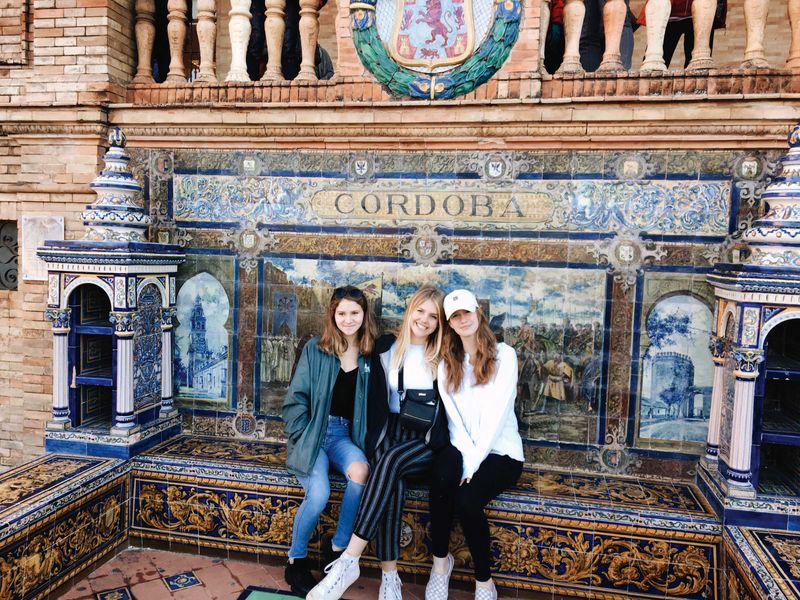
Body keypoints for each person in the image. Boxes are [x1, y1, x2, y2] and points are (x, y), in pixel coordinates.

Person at [306, 285, 450, 600]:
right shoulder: (386, 347)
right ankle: (390, 578)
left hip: (425, 440)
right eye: (420, 311)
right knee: (390, 477)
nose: (424, 320)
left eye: (433, 316)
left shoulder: (444, 355)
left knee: (389, 463)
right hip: (391, 434)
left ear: (440, 323)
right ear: (410, 310)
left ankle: (349, 560)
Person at [426, 289, 525, 600]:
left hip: (502, 452)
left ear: (478, 314)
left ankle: (484, 580)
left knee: (468, 501)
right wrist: (466, 459)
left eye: (466, 312)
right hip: (463, 446)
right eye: (455, 316)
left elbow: (497, 417)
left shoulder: (504, 356)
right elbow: (454, 421)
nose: (462, 319)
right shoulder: (446, 365)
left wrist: (473, 463)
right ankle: (440, 564)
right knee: (442, 479)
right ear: (449, 323)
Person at [282, 285, 377, 596]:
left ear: (364, 316)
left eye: (354, 313)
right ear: (333, 315)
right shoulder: (316, 349)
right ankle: (296, 560)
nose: (348, 319)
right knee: (319, 493)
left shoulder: (370, 354)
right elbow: (295, 399)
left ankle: (337, 548)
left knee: (360, 471)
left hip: (342, 435)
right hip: (312, 433)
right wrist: (300, 433)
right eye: (342, 313)